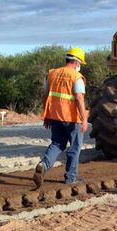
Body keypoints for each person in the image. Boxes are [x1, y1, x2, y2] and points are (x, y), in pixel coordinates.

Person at [33, 47, 89, 188]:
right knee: (75, 148)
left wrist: (46, 115)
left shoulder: (52, 74)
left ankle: (43, 164)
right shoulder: (76, 77)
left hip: (55, 117)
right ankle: (70, 178)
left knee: (57, 144)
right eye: (80, 63)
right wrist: (84, 119)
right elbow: (79, 98)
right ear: (77, 62)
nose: (79, 65)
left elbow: (45, 95)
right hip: (72, 119)